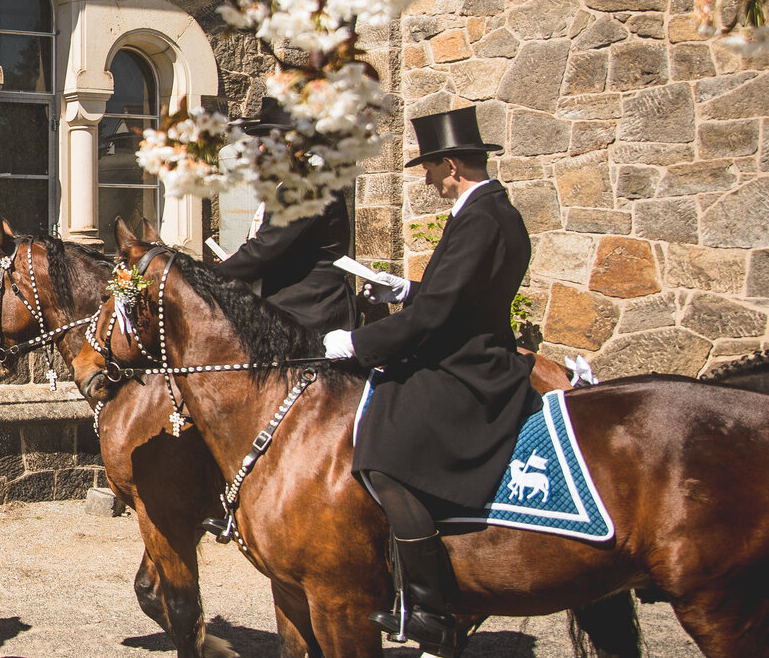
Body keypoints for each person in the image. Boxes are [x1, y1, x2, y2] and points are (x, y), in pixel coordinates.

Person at [321, 106, 539, 658]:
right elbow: (458, 295)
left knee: (382, 452)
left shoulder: (481, 219)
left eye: (429, 169)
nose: (426, 180)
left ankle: (428, 607)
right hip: (465, 347)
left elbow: (441, 314)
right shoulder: (493, 210)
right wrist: (405, 290)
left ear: (451, 166)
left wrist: (357, 343)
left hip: (469, 365)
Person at [214, 98, 358, 336]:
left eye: (266, 142)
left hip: (307, 313)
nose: (261, 150)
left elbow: (266, 248)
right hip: (293, 310)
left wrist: (210, 276)